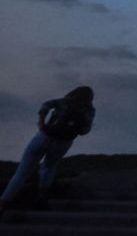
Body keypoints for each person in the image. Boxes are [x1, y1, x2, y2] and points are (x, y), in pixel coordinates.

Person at [0, 86, 95, 215]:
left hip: (44, 136)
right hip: (63, 143)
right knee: (49, 168)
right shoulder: (89, 110)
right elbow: (84, 131)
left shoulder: (63, 101)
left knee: (22, 173)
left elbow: (45, 106)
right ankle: (42, 199)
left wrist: (41, 123)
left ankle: (3, 203)